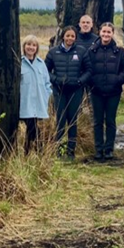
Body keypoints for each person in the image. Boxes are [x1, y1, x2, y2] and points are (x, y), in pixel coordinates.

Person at [87, 22, 124, 161]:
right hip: (96, 91)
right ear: (99, 32)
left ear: (112, 34)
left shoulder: (119, 51)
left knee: (111, 121)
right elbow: (86, 68)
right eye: (104, 32)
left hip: (114, 91)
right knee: (97, 121)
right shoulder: (92, 50)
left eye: (109, 32)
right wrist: (93, 82)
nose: (106, 34)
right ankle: (98, 149)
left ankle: (109, 150)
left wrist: (117, 80)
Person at [45, 26, 91, 160]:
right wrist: (55, 80)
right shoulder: (53, 52)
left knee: (72, 120)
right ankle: (58, 150)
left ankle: (70, 151)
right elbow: (45, 70)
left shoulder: (81, 52)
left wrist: (79, 82)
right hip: (59, 91)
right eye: (67, 36)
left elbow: (88, 70)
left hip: (75, 90)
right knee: (60, 120)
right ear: (63, 37)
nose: (70, 38)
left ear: (75, 38)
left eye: (72, 36)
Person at [19, 35, 52, 154]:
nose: (31, 47)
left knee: (32, 126)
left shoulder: (41, 63)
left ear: (37, 48)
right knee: (31, 126)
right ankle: (37, 150)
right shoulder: (20, 62)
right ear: (24, 46)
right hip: (25, 102)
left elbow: (47, 82)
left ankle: (29, 151)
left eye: (34, 45)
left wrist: (46, 95)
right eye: (28, 44)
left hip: (38, 102)